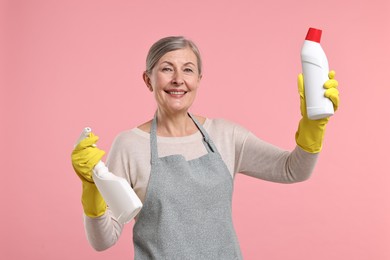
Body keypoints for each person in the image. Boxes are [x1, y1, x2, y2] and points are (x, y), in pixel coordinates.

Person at [71, 36, 339, 259]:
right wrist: (92, 189)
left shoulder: (225, 135)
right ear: (147, 79)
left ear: (199, 78)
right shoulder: (129, 145)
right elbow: (104, 240)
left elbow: (293, 170)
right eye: (167, 68)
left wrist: (313, 125)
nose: (178, 79)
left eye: (188, 69)